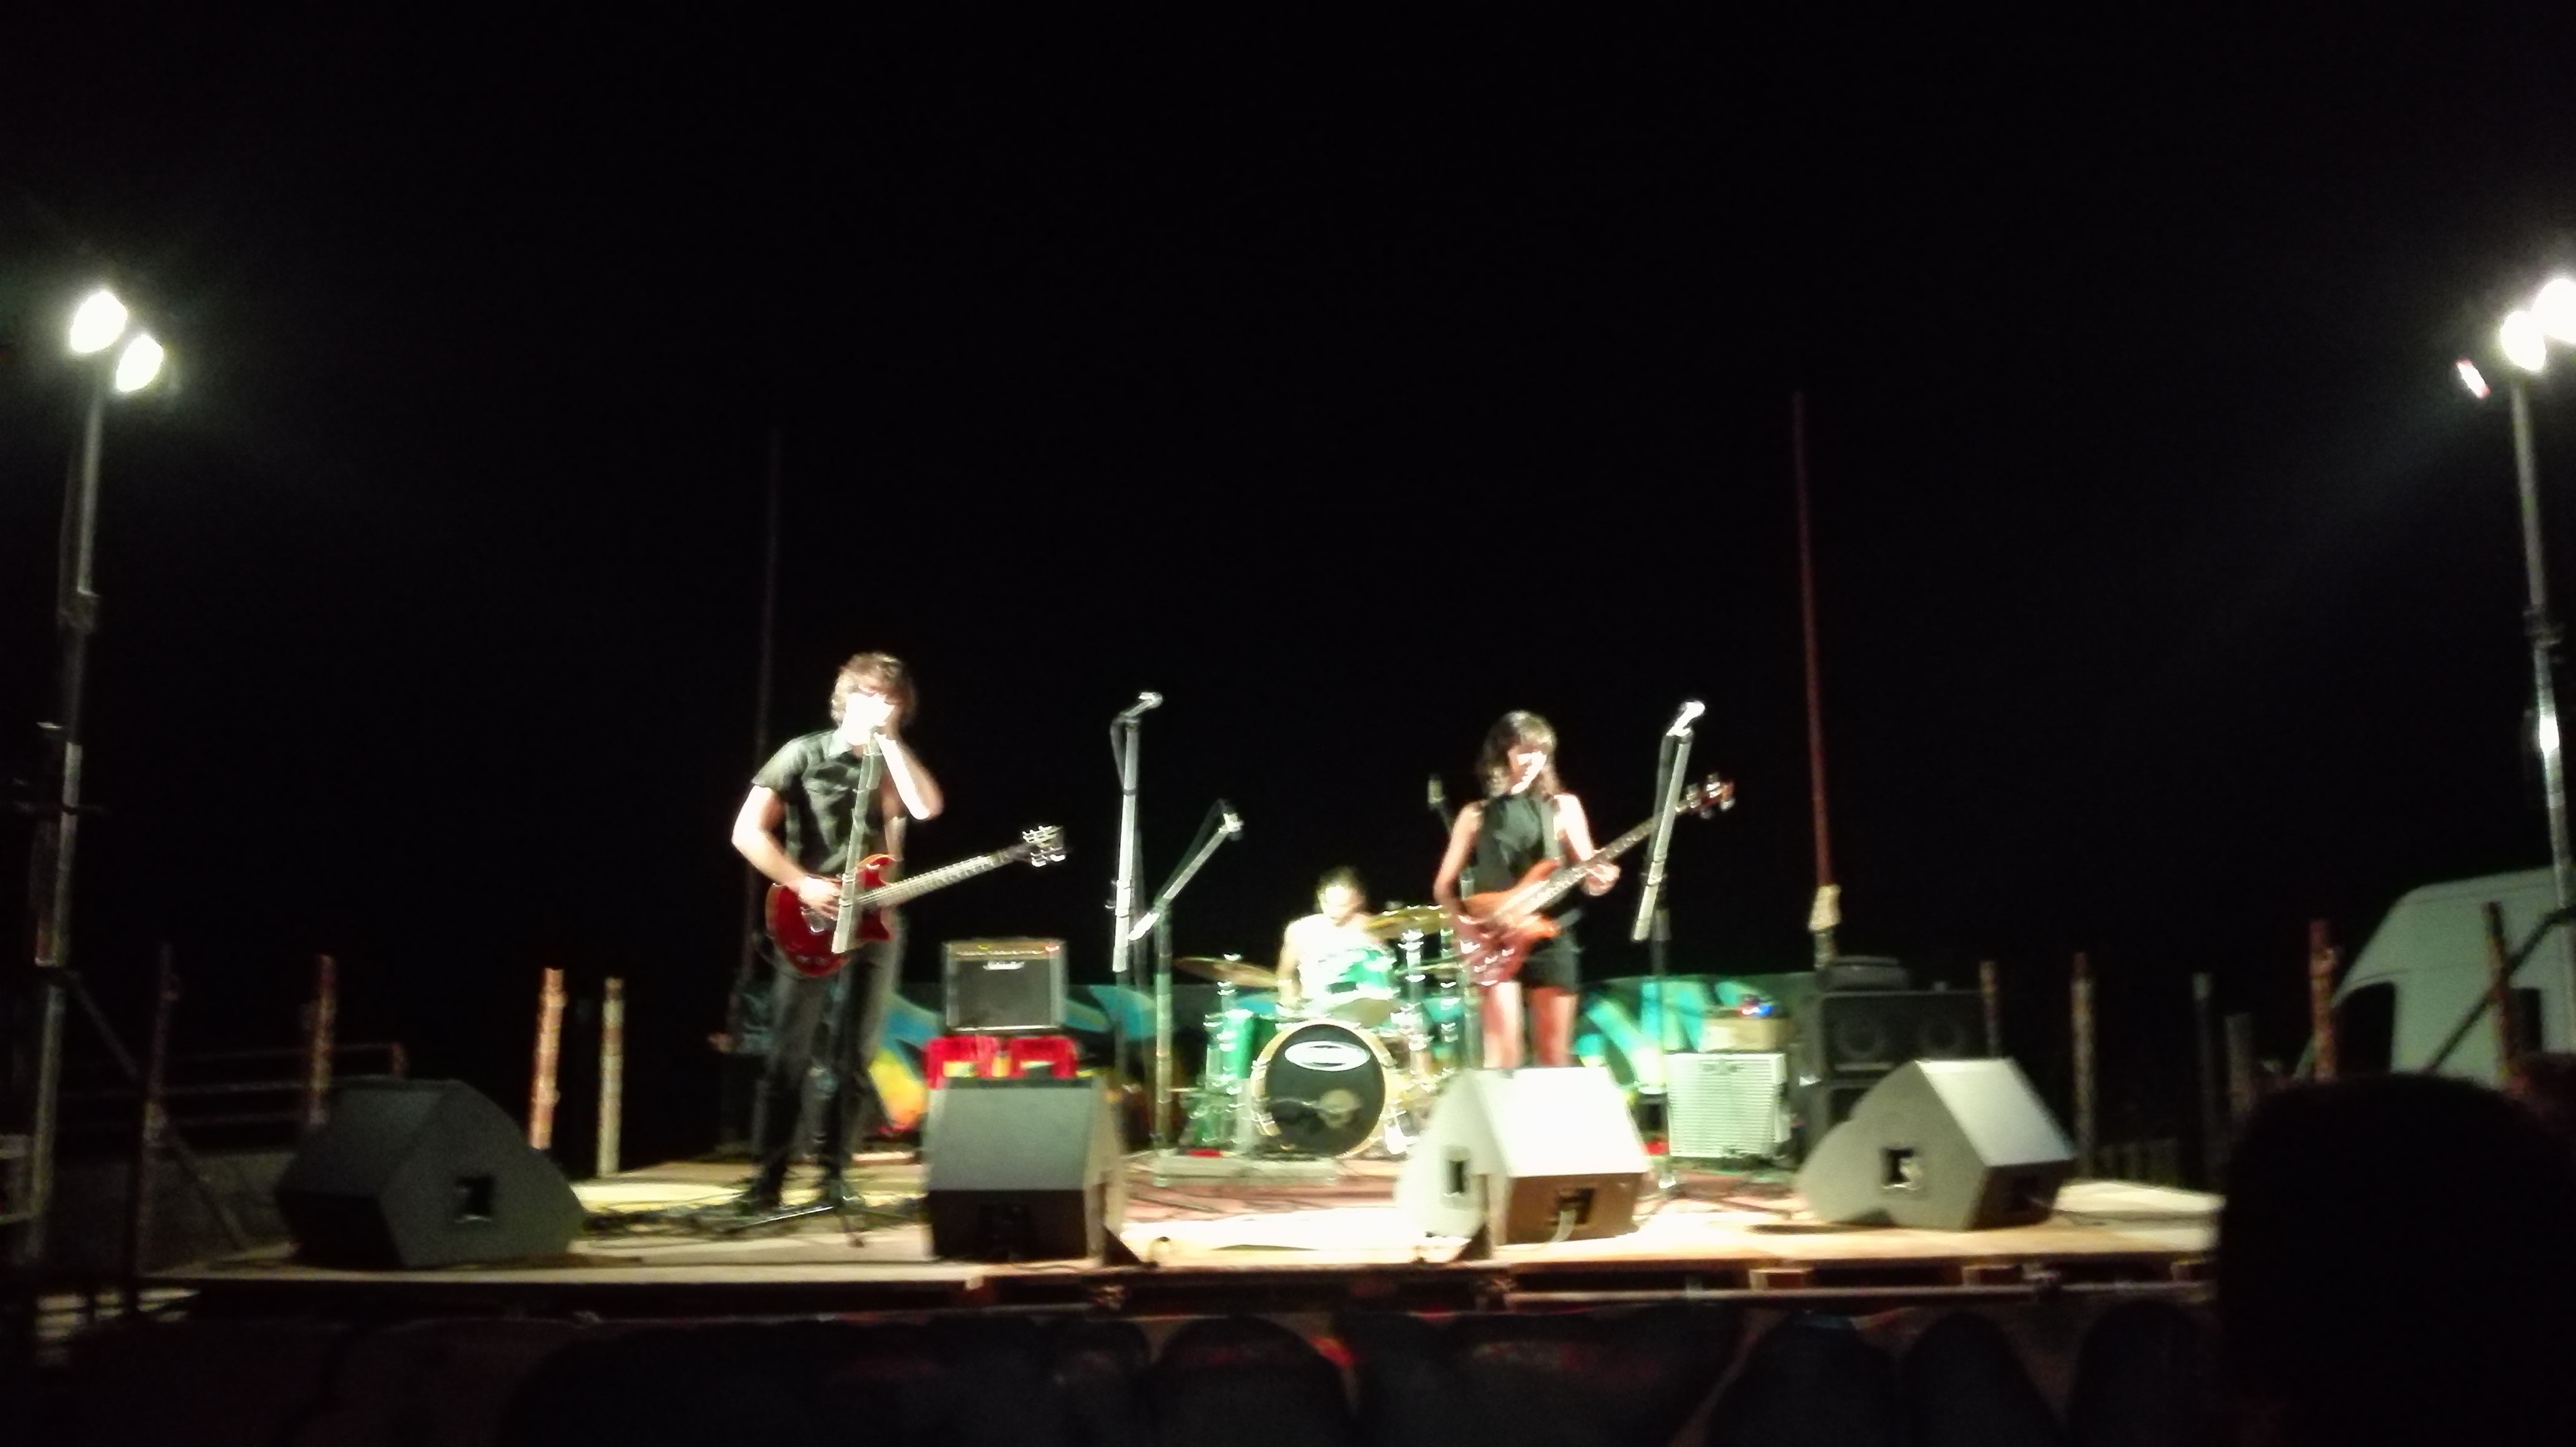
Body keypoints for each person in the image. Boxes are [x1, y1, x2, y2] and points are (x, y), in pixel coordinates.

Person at [729, 652, 944, 1210]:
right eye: (871, 694)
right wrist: (800, 883)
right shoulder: (802, 754)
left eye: (892, 699)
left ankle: (835, 1177)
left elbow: (925, 810)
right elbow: (747, 831)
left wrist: (892, 742)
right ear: (846, 697)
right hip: (811, 917)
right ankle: (769, 1180)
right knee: (789, 1054)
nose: (882, 705)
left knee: (857, 1054)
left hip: (876, 919)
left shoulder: (893, 762)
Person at [1432, 712, 1616, 1069]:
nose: (1534, 760)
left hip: (1552, 935)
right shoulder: (1476, 814)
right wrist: (1464, 927)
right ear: (1504, 753)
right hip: (1496, 939)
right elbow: (1443, 886)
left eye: (1541, 752)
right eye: (1525, 751)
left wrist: (1599, 881)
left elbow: (1588, 869)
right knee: (1504, 1060)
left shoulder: (1563, 806)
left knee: (1554, 1058)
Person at [1274, 867, 1391, 1014]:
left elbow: (1382, 980)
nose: (1333, 912)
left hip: (1366, 1011)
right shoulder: (1300, 930)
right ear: (1319, 896)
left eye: (1342, 906)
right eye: (1327, 903)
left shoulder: (1374, 928)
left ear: (1359, 901)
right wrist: (1290, 1000)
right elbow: (1285, 976)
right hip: (1316, 1011)